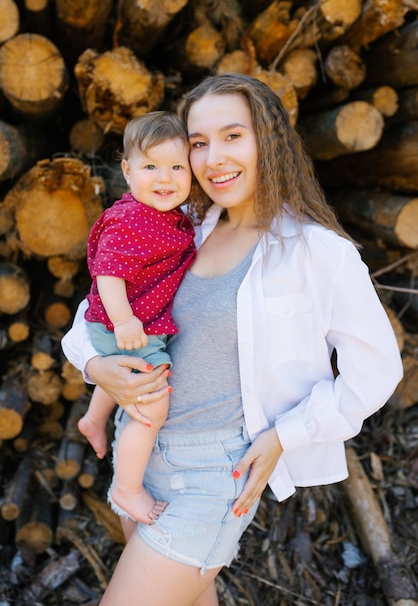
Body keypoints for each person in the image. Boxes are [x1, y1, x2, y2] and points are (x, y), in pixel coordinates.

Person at [62, 73, 403, 606]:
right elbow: (93, 313)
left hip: (214, 476)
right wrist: (94, 367)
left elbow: (377, 371)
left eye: (232, 135)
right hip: (142, 455)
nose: (214, 157)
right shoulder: (180, 229)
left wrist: (285, 435)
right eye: (198, 143)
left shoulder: (318, 253)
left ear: (267, 138)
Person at [75, 111, 196, 525]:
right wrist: (125, 320)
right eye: (151, 167)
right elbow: (108, 273)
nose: (165, 178)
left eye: (177, 167)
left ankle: (94, 419)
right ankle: (127, 489)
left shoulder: (164, 216)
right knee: (153, 404)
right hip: (124, 324)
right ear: (127, 171)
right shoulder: (132, 219)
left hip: (127, 324)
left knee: (122, 374)